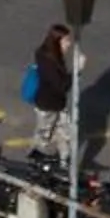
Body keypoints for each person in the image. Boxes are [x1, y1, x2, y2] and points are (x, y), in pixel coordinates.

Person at [28, 21, 76, 166]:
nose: (69, 44)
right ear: (57, 41)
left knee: (66, 134)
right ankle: (34, 163)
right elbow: (61, 86)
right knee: (43, 138)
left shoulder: (53, 55)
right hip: (48, 105)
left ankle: (64, 163)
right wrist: (76, 71)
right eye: (66, 40)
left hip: (58, 104)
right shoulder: (49, 60)